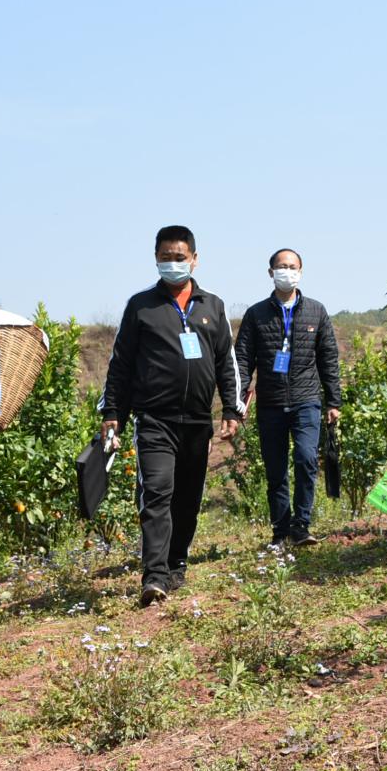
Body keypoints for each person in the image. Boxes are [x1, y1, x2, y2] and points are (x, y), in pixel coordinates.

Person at [101, 225, 244, 606]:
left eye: (180, 257)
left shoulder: (212, 306)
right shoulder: (141, 306)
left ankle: (176, 562)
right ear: (155, 259)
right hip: (154, 419)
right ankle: (155, 575)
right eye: (165, 256)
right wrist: (112, 412)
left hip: (197, 420)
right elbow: (121, 364)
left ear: (195, 259)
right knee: (157, 492)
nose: (173, 263)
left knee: (187, 497)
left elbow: (225, 363)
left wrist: (231, 408)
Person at [234, 248, 341, 547]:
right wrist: (239, 400)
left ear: (301, 272)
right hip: (270, 403)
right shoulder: (256, 314)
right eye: (281, 266)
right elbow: (243, 360)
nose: (287, 271)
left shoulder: (316, 311)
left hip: (307, 399)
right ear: (270, 272)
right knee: (276, 470)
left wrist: (334, 401)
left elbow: (328, 358)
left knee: (307, 459)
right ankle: (281, 531)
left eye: (293, 266)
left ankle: (301, 526)